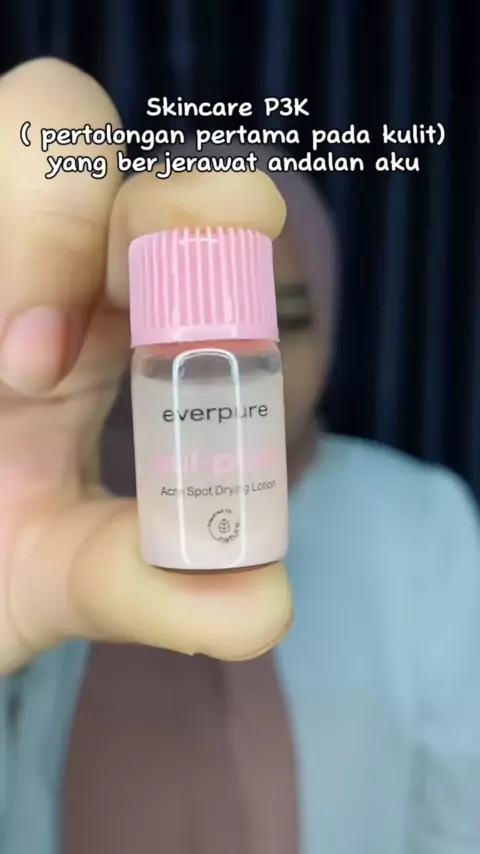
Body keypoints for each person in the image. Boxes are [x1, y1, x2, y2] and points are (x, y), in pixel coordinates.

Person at [1, 57, 480, 854]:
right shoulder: (54, 513)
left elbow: (462, 811)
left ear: (333, 321)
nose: (231, 355)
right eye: (192, 320)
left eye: (287, 318)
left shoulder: (421, 522)